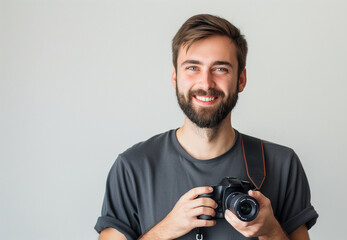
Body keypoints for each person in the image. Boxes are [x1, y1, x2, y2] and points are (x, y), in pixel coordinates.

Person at [95, 14, 318, 240]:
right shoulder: (133, 167)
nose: (206, 83)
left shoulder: (281, 164)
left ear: (241, 79)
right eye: (193, 67)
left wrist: (270, 231)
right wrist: (165, 230)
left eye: (220, 69)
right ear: (175, 77)